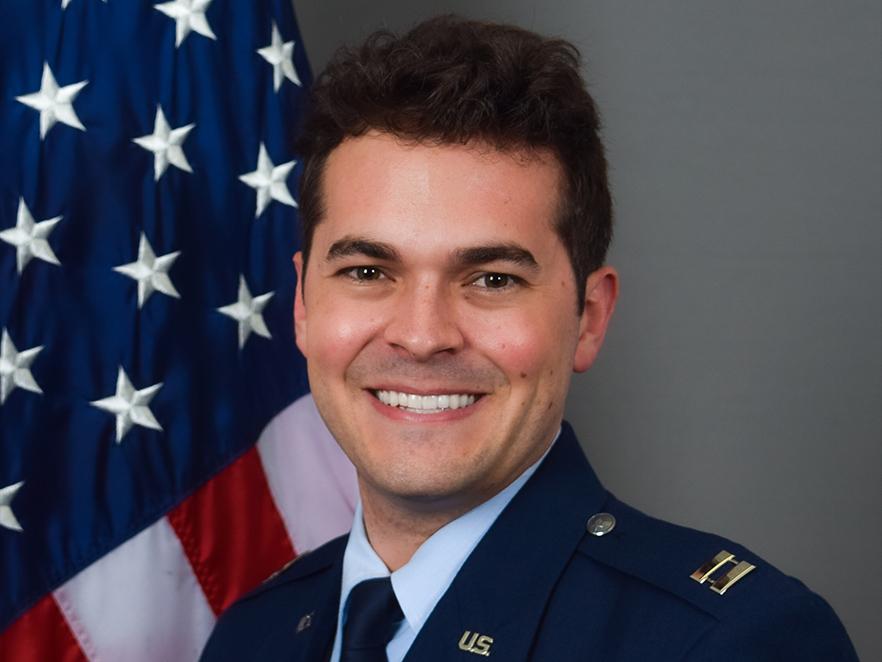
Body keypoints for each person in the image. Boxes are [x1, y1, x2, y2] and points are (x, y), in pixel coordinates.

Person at [200, 15, 857, 661]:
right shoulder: (251, 638)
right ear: (304, 306)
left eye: (491, 279)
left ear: (589, 319)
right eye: (368, 271)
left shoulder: (733, 642)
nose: (423, 335)